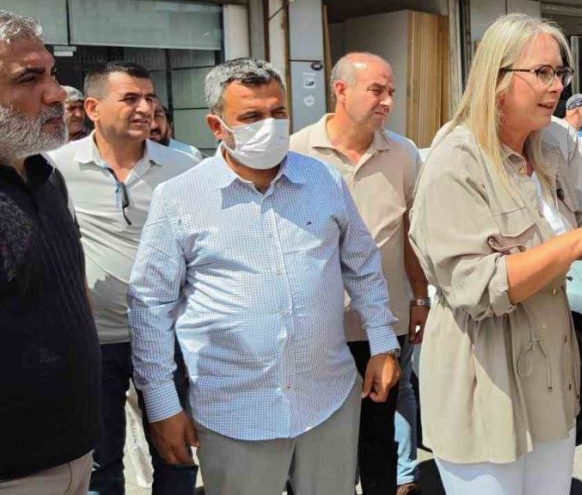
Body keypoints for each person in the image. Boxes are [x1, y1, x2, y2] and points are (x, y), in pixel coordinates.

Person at [409, 14, 582, 495]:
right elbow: (478, 287)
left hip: (551, 373)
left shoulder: (556, 141)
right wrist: (578, 243)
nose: (557, 87)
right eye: (543, 73)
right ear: (497, 78)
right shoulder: (456, 161)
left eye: (561, 73)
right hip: (484, 379)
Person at [128, 58, 400, 495]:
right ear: (218, 127)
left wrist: (383, 343)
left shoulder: (322, 180)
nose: (269, 126)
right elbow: (149, 305)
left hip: (327, 402)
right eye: (252, 117)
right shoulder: (180, 198)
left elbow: (363, 264)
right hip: (233, 413)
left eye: (278, 113)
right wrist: (162, 404)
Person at [49, 62, 200, 495]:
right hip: (94, 341)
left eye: (150, 98)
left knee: (176, 454)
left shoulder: (185, 166)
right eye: (130, 98)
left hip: (170, 340)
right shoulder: (55, 167)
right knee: (100, 464)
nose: (145, 108)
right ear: (93, 108)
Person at [289, 52, 429, 495]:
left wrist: (420, 298)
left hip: (382, 327)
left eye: (391, 92)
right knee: (315, 445)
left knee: (378, 440)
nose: (387, 101)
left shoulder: (403, 154)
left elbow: (412, 234)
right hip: (314, 328)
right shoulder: (296, 152)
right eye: (377, 90)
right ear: (340, 90)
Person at [0, 10, 100, 494]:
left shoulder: (46, 174)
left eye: (52, 73)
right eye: (29, 78)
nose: (57, 93)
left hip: (74, 453)